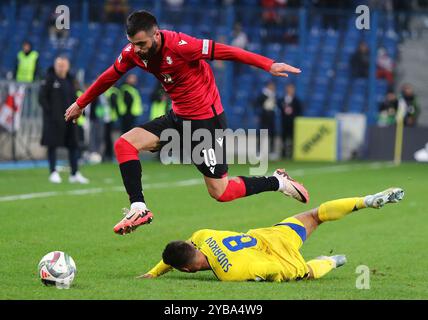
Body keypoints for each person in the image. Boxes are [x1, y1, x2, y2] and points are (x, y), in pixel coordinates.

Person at [64, 10, 306, 235]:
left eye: (141, 44)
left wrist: (268, 64)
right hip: (177, 116)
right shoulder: (133, 53)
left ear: (156, 35)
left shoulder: (182, 46)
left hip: (205, 122)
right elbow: (109, 76)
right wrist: (81, 103)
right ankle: (139, 207)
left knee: (221, 192)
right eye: (132, 44)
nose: (136, 50)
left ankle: (278, 182)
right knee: (124, 145)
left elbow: (226, 51)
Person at [141, 187, 404, 282]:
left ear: (186, 271)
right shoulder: (202, 235)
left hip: (277, 257)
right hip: (271, 236)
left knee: (306, 273)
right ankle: (366, 200)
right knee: (315, 215)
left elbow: (267, 270)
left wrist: (290, 272)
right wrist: (155, 271)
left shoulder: (229, 274)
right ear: (191, 245)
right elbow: (179, 251)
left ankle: (331, 261)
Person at [39, 56, 89, 184]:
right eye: (59, 65)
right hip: (53, 120)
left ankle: (74, 173)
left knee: (73, 145)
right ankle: (53, 172)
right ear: (55, 66)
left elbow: (79, 95)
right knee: (53, 145)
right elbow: (42, 98)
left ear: (67, 66)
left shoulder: (71, 80)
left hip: (70, 119)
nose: (61, 67)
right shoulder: (49, 79)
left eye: (63, 65)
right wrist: (50, 114)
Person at [279, 83, 302, 158]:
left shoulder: (296, 100)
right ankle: (283, 154)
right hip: (284, 122)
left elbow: (299, 111)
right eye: (289, 88)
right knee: (284, 138)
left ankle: (292, 154)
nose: (290, 90)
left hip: (293, 122)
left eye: (292, 89)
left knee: (292, 138)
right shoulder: (282, 99)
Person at [256, 81, 278, 156]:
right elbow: (257, 105)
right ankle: (258, 150)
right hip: (264, 117)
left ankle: (272, 151)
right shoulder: (263, 95)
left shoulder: (274, 95)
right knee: (262, 133)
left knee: (272, 134)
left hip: (271, 117)